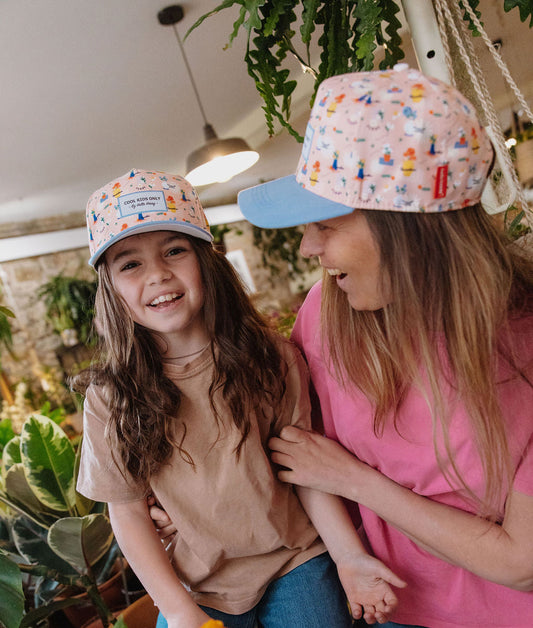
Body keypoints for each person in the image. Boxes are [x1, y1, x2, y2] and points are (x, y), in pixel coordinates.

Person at [236, 64, 533, 628]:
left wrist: (352, 479)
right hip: (387, 608)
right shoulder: (326, 314)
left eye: (325, 224)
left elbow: (522, 564)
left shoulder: (523, 342)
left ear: (407, 229)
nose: (307, 248)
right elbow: (285, 448)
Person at [74, 168, 406, 628]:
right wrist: (178, 611)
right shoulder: (109, 398)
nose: (158, 274)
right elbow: (128, 513)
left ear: (207, 262)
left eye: (174, 251)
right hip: (195, 587)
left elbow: (305, 470)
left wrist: (349, 558)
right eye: (130, 264)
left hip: (295, 561)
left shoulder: (271, 357)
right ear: (110, 289)